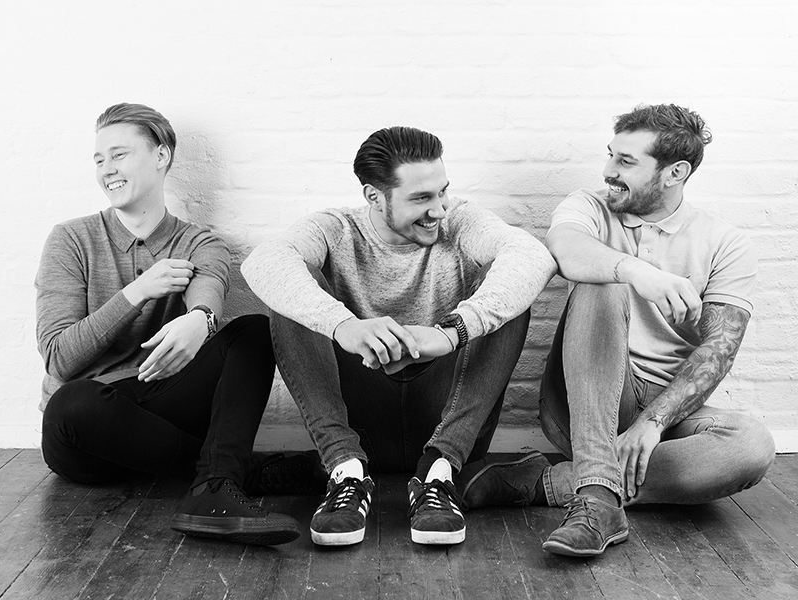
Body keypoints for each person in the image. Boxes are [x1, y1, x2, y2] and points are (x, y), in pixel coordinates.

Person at [458, 103, 775, 557]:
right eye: (611, 155)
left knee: (751, 447)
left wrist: (653, 422)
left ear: (675, 172)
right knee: (601, 285)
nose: (609, 171)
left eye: (626, 162)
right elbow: (566, 250)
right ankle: (596, 493)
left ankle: (558, 482)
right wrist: (633, 271)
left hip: (668, 413)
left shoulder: (725, 242)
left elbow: (718, 350)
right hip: (584, 400)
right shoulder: (588, 205)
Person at [241, 126, 556, 546]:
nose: (439, 209)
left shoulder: (460, 221)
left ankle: (437, 477)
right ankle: (345, 472)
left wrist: (450, 333)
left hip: (449, 422)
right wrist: (344, 325)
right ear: (374, 196)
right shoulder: (336, 229)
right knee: (292, 293)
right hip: (359, 424)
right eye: (421, 198)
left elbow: (532, 256)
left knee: (508, 294)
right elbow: (264, 261)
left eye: (442, 192)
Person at [36, 102, 313, 547]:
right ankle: (234, 472)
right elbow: (59, 358)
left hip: (162, 411)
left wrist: (201, 320)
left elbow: (209, 283)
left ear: (161, 156)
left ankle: (215, 488)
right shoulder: (71, 239)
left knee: (254, 331)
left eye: (119, 154)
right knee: (72, 402)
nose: (107, 168)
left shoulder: (199, 242)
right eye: (99, 158)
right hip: (87, 434)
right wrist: (137, 291)